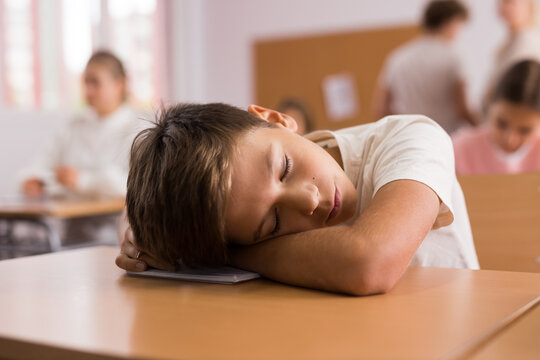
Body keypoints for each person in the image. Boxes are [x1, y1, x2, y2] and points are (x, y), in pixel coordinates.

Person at [115, 102, 479, 296]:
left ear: (276, 119)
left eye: (285, 169)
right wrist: (145, 223)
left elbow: (369, 263)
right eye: (273, 222)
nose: (307, 201)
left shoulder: (409, 137)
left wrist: (213, 254)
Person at [22, 50, 141, 198]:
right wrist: (35, 181)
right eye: (86, 82)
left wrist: (82, 181)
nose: (88, 92)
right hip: (69, 219)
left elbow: (135, 188)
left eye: (96, 83)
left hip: (114, 220)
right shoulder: (73, 127)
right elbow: (40, 166)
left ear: (120, 85)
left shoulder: (136, 132)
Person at [373, 0, 477, 134]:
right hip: (446, 139)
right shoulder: (455, 57)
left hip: (410, 140)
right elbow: (462, 109)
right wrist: (484, 129)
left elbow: (381, 109)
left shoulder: (398, 58)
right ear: (451, 21)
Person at [453, 60, 540, 175]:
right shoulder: (458, 149)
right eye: (502, 124)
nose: (510, 140)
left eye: (525, 130)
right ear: (489, 106)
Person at [484, 0, 540, 102]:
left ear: (530, 7)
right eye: (501, 2)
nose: (503, 7)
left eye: (510, 2)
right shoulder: (511, 40)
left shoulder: (526, 41)